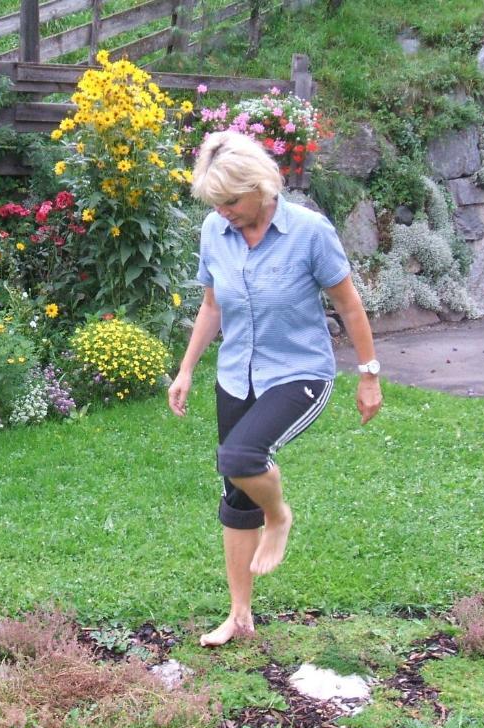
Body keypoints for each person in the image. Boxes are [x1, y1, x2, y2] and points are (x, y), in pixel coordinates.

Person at [168, 130, 383, 648]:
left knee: (240, 456)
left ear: (261, 186)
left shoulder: (309, 232)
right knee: (236, 490)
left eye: (230, 201)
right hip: (235, 372)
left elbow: (349, 305)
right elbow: (212, 307)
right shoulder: (214, 233)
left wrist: (369, 372)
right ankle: (239, 615)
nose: (223, 212)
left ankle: (280, 515)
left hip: (299, 373)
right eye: (215, 204)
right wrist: (187, 368)